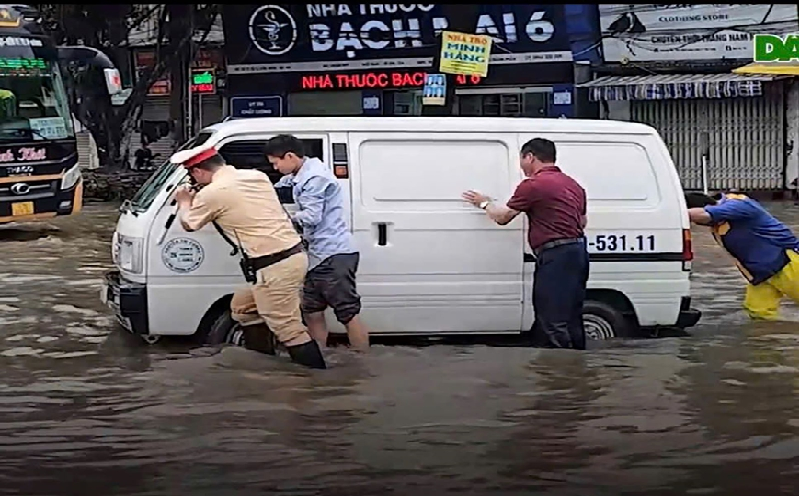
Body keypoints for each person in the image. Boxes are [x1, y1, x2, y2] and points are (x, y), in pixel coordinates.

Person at [171, 145, 327, 369]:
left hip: (274, 264)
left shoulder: (212, 193)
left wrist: (184, 201)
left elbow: (189, 223)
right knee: (243, 308)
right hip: (292, 257)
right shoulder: (256, 176)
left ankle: (316, 380)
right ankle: (264, 362)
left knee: (288, 328)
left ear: (197, 172)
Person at [462, 138, 589, 349]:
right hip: (578, 252)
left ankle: (560, 373)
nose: (521, 166)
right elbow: (582, 221)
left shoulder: (533, 185)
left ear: (530, 157)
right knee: (572, 316)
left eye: (521, 159)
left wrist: (483, 203)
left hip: (555, 256)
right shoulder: (574, 185)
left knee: (551, 318)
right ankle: (578, 367)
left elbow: (503, 217)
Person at [265, 134, 370, 352]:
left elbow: (312, 216)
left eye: (276, 163)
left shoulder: (314, 178)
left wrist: (282, 219)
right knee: (312, 311)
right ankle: (318, 357)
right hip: (316, 255)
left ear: (290, 156)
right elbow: (277, 187)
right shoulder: (299, 174)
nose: (275, 168)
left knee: (347, 313)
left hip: (333, 254)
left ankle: (363, 364)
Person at [685, 191, 799, 320]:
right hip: (761, 273)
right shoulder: (721, 220)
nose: (696, 224)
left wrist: (672, 212)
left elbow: (704, 215)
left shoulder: (738, 205)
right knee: (758, 313)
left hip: (786, 262)